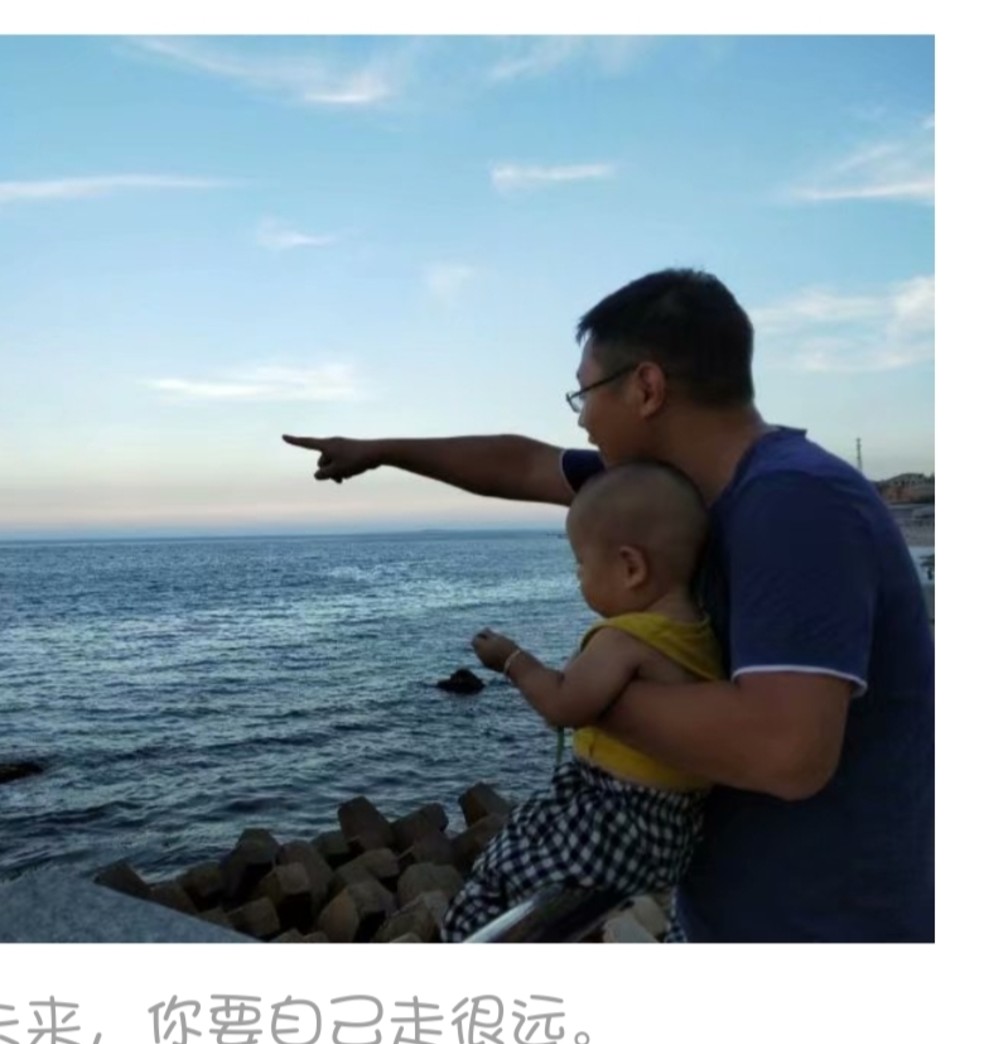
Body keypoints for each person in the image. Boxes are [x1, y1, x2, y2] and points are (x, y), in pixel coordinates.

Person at [283, 268, 934, 942]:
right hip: (732, 917)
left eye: (584, 393)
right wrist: (382, 450)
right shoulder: (675, 496)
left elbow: (785, 750)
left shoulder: (795, 502)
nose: (582, 418)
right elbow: (521, 464)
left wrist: (575, 694)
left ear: (646, 388)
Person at [442, 460, 724, 942]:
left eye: (581, 564)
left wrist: (510, 659)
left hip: (615, 813)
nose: (577, 577)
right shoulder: (698, 632)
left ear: (631, 567)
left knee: (490, 886)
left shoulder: (625, 638)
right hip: (673, 824)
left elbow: (562, 705)